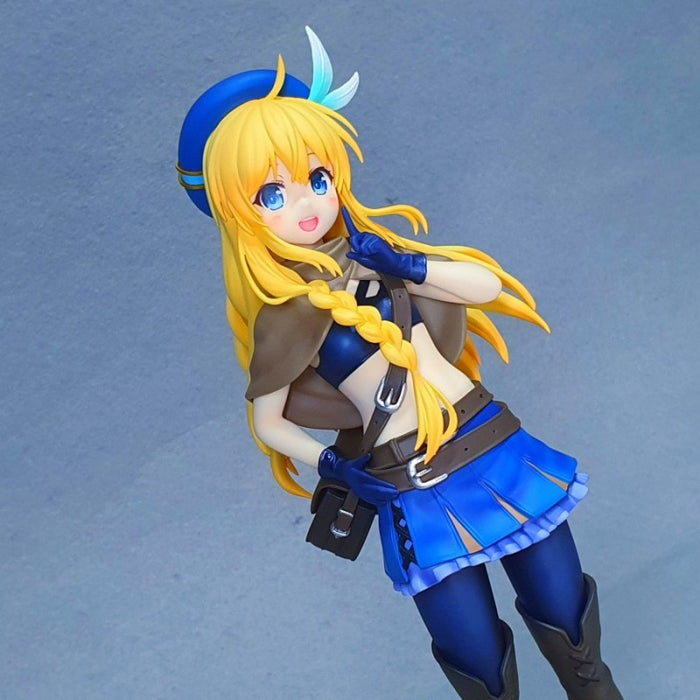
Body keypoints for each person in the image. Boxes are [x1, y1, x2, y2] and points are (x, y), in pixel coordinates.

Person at [177, 27, 622, 700]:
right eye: (272, 194)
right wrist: (331, 463)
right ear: (240, 212)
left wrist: (408, 265)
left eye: (317, 179)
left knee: (570, 626)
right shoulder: (285, 315)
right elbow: (268, 422)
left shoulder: (377, 254)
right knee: (475, 654)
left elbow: (485, 288)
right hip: (408, 480)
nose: (306, 204)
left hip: (491, 442)